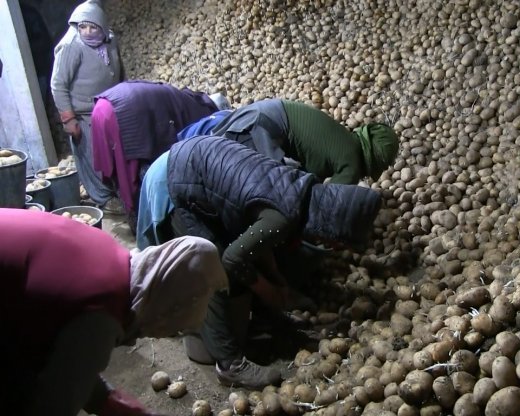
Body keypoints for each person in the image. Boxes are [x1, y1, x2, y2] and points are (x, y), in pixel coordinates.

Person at [139, 135, 382, 389]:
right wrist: (265, 289)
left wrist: (274, 276)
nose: (333, 247)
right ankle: (229, 364)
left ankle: (271, 323)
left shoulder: (301, 189)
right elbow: (232, 259)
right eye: (337, 242)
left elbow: (257, 232)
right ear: (334, 227)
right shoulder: (284, 217)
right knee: (211, 267)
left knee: (245, 260)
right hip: (179, 181)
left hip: (198, 164)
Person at [0, 208, 228, 416]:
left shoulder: (111, 254)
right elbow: (54, 405)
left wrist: (108, 400)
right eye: (174, 325)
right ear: (167, 307)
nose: (161, 335)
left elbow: (67, 364)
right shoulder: (100, 312)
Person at [90, 80, 223, 229]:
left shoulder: (179, 96)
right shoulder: (202, 112)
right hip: (124, 111)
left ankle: (136, 217)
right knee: (132, 169)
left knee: (122, 170)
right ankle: (143, 222)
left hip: (102, 106)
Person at [210, 98, 400, 184]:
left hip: (260, 114)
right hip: (258, 129)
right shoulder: (352, 163)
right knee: (269, 191)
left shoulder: (345, 138)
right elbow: (328, 201)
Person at [50, 0, 124, 213]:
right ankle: (103, 198)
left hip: (108, 108)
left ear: (101, 26)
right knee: (91, 159)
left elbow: (119, 68)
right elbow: (58, 84)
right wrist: (68, 118)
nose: (89, 32)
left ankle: (117, 191)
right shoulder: (72, 46)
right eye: (83, 27)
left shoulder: (109, 40)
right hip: (83, 115)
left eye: (93, 27)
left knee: (112, 155)